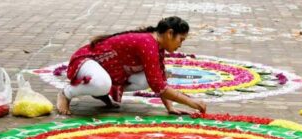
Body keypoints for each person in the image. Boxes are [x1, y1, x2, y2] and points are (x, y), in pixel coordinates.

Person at [57, 16, 206, 115]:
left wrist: (170, 107)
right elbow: (158, 85)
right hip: (86, 62)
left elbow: (158, 80)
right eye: (181, 39)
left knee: (148, 78)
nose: (180, 45)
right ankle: (66, 93)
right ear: (169, 33)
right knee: (101, 83)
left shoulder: (157, 46)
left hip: (106, 70)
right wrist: (190, 102)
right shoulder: (148, 44)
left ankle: (102, 91)